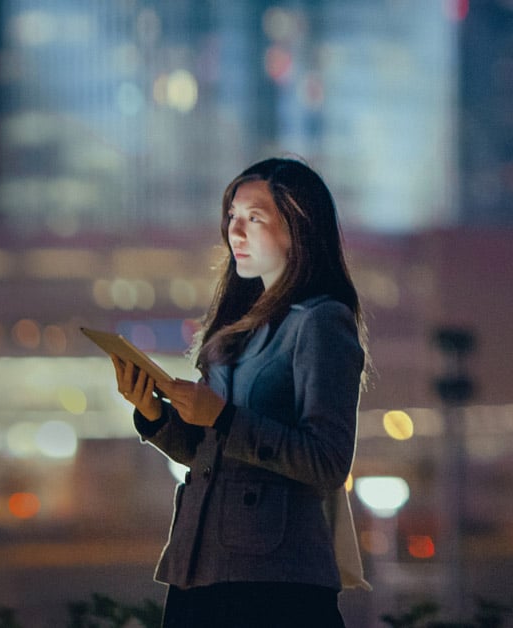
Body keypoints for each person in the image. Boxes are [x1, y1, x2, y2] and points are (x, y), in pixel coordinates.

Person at [111, 157, 370, 628]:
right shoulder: (236, 329)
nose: (236, 232)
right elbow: (213, 456)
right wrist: (155, 415)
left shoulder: (320, 323)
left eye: (255, 218)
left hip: (276, 581)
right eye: (232, 216)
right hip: (201, 568)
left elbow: (329, 463)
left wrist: (224, 417)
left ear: (298, 227)